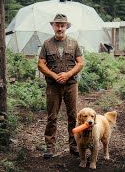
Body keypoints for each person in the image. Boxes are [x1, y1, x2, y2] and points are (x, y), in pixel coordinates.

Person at [38, 13, 83, 159]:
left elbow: (80, 63)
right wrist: (53, 75)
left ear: (66, 27)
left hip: (71, 85)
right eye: (57, 25)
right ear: (53, 26)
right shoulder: (47, 44)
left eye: (62, 25)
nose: (60, 28)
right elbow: (41, 64)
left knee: (73, 116)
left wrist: (68, 74)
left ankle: (74, 146)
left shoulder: (74, 43)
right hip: (53, 86)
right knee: (52, 116)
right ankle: (50, 147)